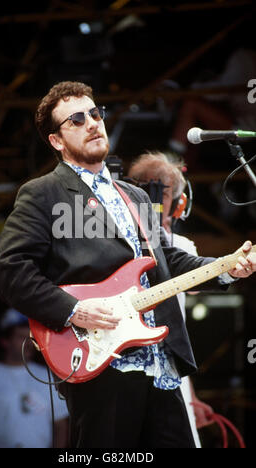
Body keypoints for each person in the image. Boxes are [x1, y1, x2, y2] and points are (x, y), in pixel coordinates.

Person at [0, 81, 256, 448]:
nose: (92, 123)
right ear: (56, 141)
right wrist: (74, 310)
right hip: (102, 358)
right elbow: (10, 271)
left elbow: (167, 260)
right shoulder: (42, 193)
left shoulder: (132, 194)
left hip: (161, 362)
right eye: (77, 119)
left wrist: (228, 266)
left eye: (95, 114)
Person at [128, 151, 215, 448]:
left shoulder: (178, 245)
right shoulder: (173, 243)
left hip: (164, 369)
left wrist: (190, 398)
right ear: (181, 205)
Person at [0, 308, 70, 448]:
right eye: (21, 337)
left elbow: (61, 423)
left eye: (30, 337)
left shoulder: (46, 375)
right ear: (5, 341)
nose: (28, 343)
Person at [168, 48, 256, 169]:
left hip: (246, 127)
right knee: (196, 130)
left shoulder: (244, 57)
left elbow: (222, 90)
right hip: (242, 121)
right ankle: (186, 168)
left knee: (191, 104)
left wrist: (191, 89)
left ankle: (172, 157)